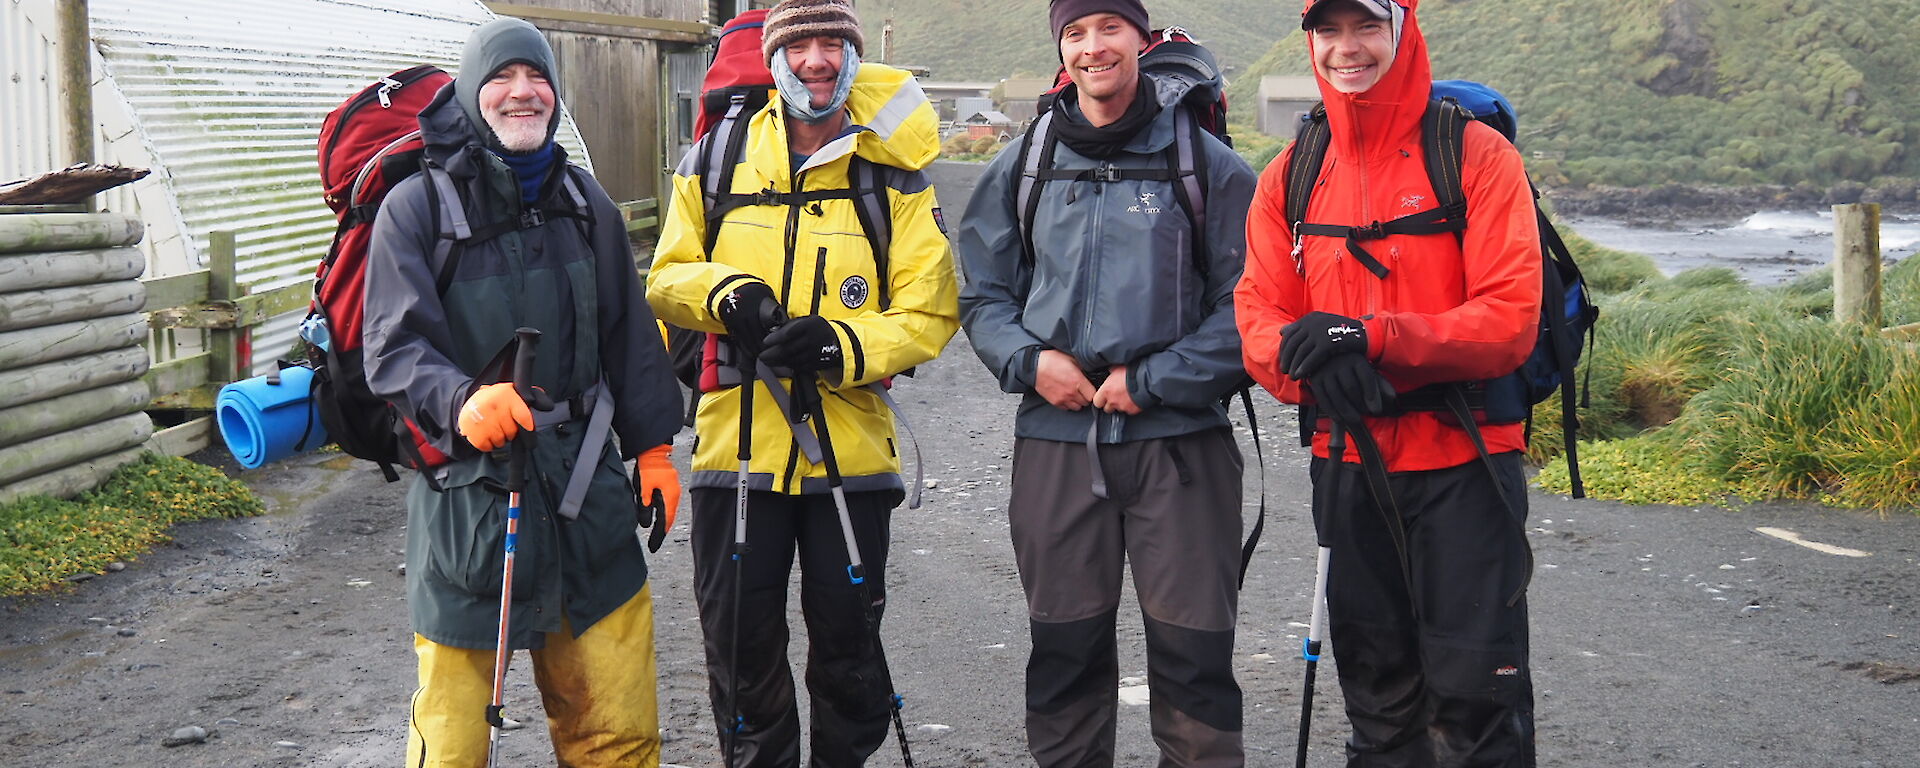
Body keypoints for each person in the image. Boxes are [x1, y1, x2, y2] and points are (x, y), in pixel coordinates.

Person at [361, 18, 684, 768]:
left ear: (554, 93)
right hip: (472, 505)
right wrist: (457, 401)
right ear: (474, 92)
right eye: (502, 78)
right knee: (453, 741)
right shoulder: (416, 211)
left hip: (586, 500)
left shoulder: (585, 204)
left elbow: (630, 338)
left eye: (536, 77)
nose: (521, 93)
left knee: (619, 731)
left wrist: (656, 451)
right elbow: (394, 346)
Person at [645, 0, 959, 764]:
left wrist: (840, 347)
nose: (817, 61)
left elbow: (932, 309)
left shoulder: (890, 170)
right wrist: (728, 295)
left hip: (850, 453)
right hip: (734, 451)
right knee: (739, 646)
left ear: (853, 57)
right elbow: (664, 278)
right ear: (775, 59)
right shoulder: (716, 160)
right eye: (801, 47)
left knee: (850, 653)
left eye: (832, 45)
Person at [1235, 1, 1544, 765]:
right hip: (1347, 464)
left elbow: (1510, 319)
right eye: (1328, 31)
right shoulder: (1292, 174)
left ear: (1401, 30)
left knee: (1477, 703)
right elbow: (1258, 318)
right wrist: (1310, 366)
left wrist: (1371, 338)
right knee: (1377, 700)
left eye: (1366, 26)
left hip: (1467, 463)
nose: (1347, 48)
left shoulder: (1476, 157)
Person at [954, 1, 1257, 765]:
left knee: (1194, 662)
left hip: (1181, 443)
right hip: (1056, 439)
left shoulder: (1208, 166)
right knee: (1065, 656)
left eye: (1110, 28)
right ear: (1063, 49)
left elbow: (1251, 306)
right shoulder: (1026, 160)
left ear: (1142, 40)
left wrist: (1154, 379)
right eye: (1077, 33)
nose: (1094, 47)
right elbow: (983, 294)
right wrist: (1030, 361)